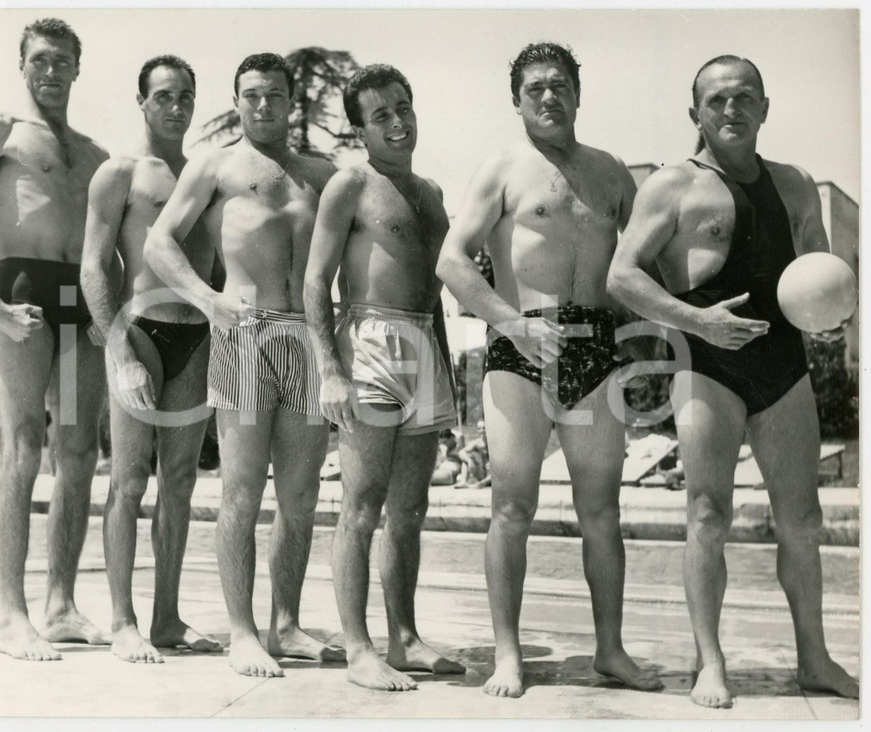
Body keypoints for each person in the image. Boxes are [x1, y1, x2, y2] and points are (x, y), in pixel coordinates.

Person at [606, 54, 859, 708]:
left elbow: (815, 276)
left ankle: (815, 658)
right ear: (696, 114)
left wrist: (831, 321)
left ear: (765, 107)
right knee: (707, 514)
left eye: (745, 97)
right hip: (707, 365)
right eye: (716, 100)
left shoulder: (798, 185)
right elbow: (623, 276)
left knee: (802, 522)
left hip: (782, 367)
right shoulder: (671, 186)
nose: (731, 109)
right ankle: (709, 662)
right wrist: (696, 320)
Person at [436, 42, 662, 698]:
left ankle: (611, 651)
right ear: (516, 100)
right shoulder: (502, 168)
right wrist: (509, 322)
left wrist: (658, 335)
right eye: (533, 87)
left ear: (577, 92)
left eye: (558, 84)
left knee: (602, 510)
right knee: (511, 505)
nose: (547, 96)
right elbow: (453, 261)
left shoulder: (614, 175)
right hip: (520, 348)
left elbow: (647, 263)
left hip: (595, 349)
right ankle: (508, 654)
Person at [144, 52, 345, 678]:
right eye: (252, 95)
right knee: (240, 490)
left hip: (308, 336)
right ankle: (242, 631)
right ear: (238, 101)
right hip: (244, 334)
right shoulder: (216, 164)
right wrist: (207, 299)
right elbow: (160, 240)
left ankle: (285, 624)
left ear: (291, 100)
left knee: (301, 494)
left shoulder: (322, 173)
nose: (264, 106)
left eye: (275, 95)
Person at [0, 18, 110, 661]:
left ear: (77, 67)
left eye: (62, 60)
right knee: (25, 449)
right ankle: (13, 615)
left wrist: (106, 310)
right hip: (24, 295)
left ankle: (60, 606)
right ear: (23, 65)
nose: (51, 71)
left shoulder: (95, 154)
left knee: (79, 451)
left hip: (79, 302)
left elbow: (106, 246)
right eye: (40, 59)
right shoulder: (0, 133)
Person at [305, 64, 465, 692]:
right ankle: (358, 647)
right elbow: (316, 280)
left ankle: (404, 637)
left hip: (426, 342)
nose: (398, 124)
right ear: (360, 129)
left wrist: (448, 375)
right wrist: (330, 369)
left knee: (412, 507)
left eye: (405, 108)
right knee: (362, 504)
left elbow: (441, 292)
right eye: (381, 116)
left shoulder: (433, 193)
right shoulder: (349, 185)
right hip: (369, 339)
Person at [81, 55, 222, 664]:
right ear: (141, 101)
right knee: (129, 480)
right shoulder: (120, 174)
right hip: (139, 332)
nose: (176, 106)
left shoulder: (206, 174)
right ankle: (123, 621)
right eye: (163, 95)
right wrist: (119, 353)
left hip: (196, 339)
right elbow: (94, 266)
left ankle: (166, 617)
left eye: (186, 95)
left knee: (182, 483)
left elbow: (215, 266)